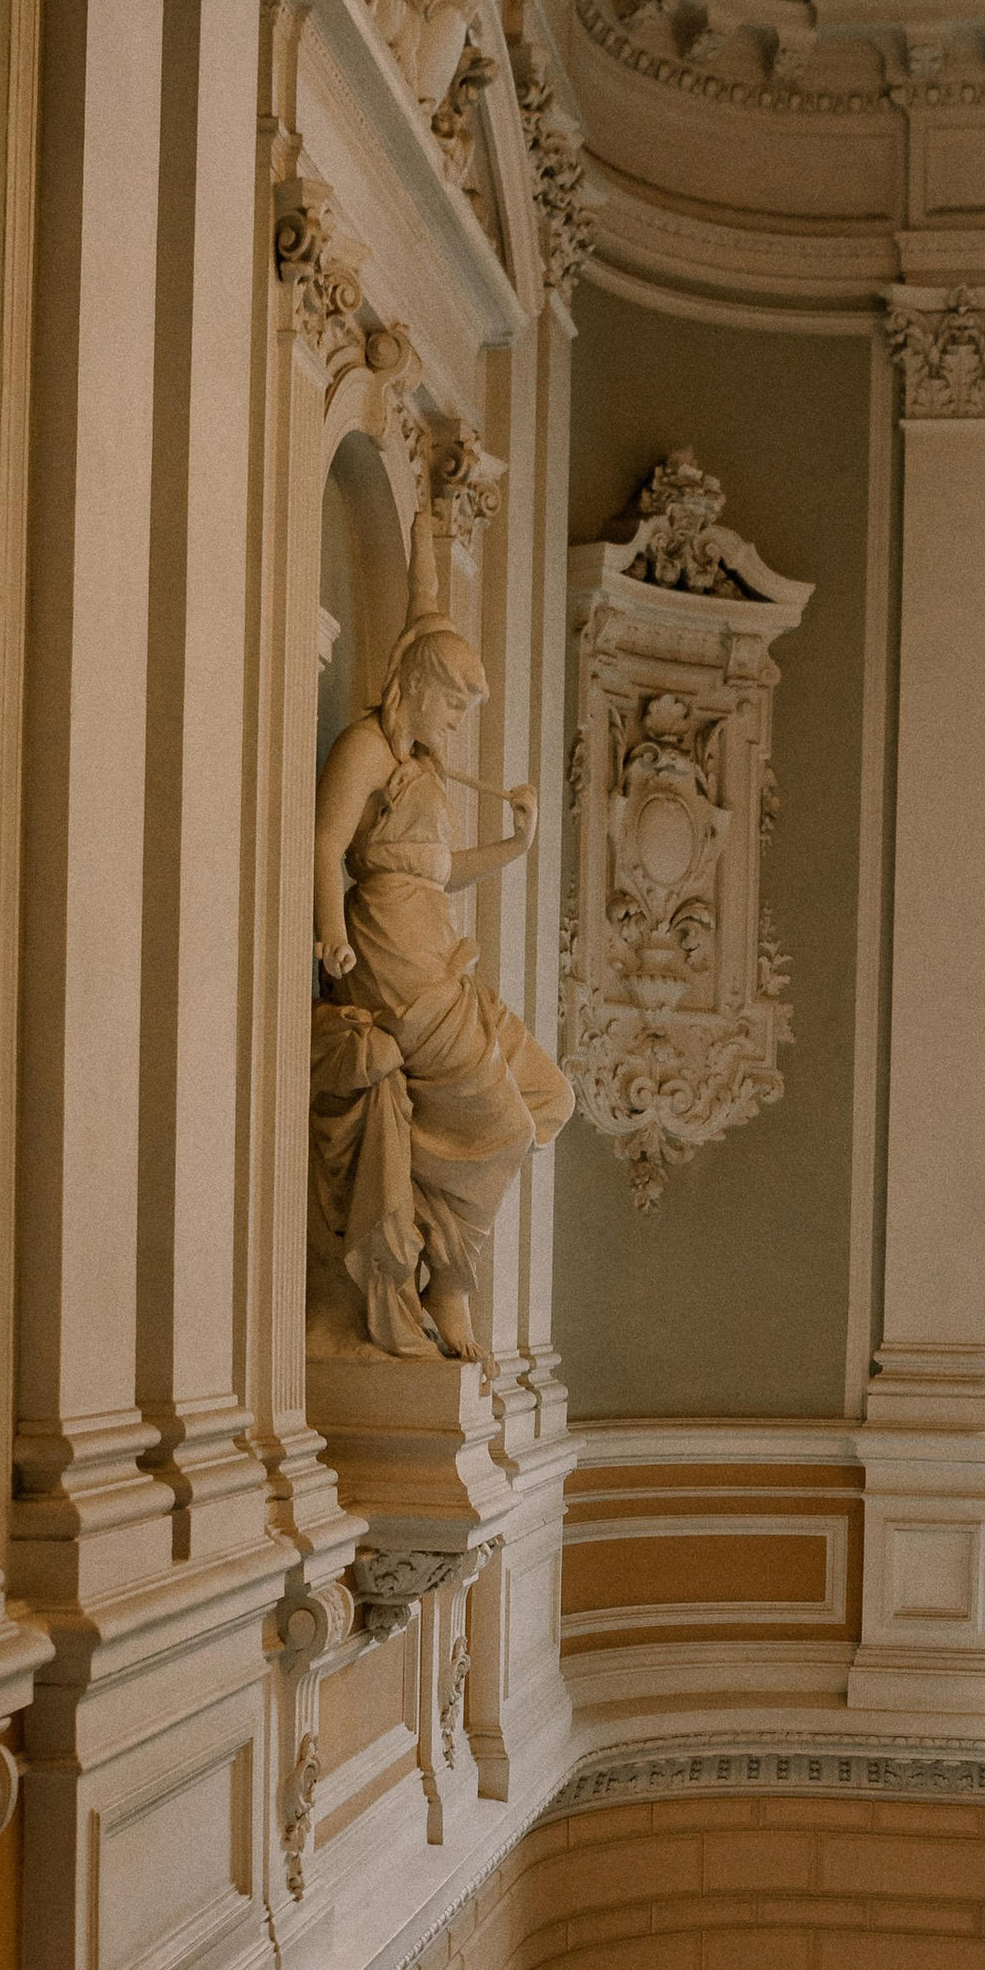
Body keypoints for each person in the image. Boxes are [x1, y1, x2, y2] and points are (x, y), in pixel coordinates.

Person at [307, 512, 571, 1366]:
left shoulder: (420, 767)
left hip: (439, 957)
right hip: (391, 962)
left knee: (548, 1099)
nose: (459, 721)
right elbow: (322, 843)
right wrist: (328, 933)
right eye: (455, 701)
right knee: (498, 1124)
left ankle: (436, 1223)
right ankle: (449, 1281)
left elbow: (439, 871)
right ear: (417, 684)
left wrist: (518, 847)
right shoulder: (366, 752)